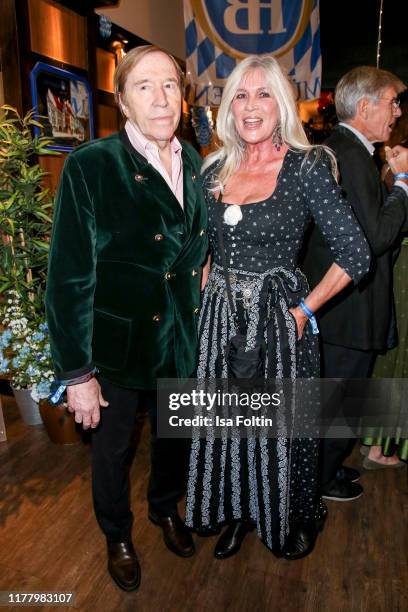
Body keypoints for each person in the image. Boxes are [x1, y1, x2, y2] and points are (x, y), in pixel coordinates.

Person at [184, 55, 371, 561]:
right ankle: (240, 514)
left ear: (281, 103)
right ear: (229, 107)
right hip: (222, 321)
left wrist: (301, 314)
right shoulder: (214, 168)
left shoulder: (307, 166)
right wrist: (205, 295)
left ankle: (297, 515)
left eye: (263, 94)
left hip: (278, 322)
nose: (250, 106)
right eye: (240, 95)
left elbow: (356, 255)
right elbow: (203, 248)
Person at [45, 45, 208, 592]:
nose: (161, 98)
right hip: (116, 349)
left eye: (169, 85)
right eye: (145, 86)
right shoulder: (92, 165)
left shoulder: (195, 158)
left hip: (182, 340)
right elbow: (68, 278)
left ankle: (166, 508)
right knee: (112, 454)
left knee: (174, 440)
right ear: (123, 101)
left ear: (182, 97)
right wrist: (78, 374)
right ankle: (116, 532)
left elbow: (194, 251)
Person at [303, 67, 408, 500]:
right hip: (346, 312)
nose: (397, 111)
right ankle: (315, 485)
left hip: (344, 309)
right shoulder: (348, 155)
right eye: (392, 102)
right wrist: (403, 182)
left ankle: (325, 474)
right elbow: (377, 238)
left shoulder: (350, 151)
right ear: (365, 107)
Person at [361, 88, 408, 467]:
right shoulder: (399, 163)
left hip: (396, 268)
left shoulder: (391, 161)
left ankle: (374, 439)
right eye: (391, 104)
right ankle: (379, 445)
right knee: (398, 357)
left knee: (392, 356)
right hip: (402, 269)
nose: (394, 111)